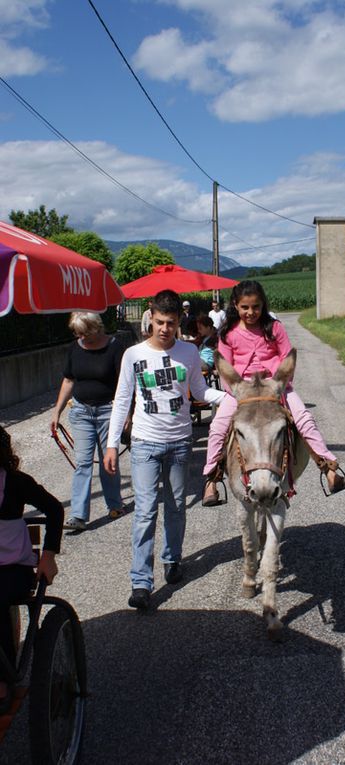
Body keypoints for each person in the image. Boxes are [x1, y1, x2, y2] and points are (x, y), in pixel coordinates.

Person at [104, 290, 225, 610]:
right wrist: (112, 443)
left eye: (171, 323)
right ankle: (141, 581)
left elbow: (199, 391)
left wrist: (230, 398)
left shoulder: (188, 352)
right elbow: (121, 401)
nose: (164, 329)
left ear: (178, 322)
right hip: (144, 443)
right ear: (151, 318)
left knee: (175, 509)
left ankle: (172, 560)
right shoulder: (133, 355)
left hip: (180, 443)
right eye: (159, 322)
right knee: (145, 512)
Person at [202, 280, 345, 506]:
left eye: (256, 307)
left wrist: (279, 384)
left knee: (304, 419)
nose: (250, 312)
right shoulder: (228, 334)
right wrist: (236, 390)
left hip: (275, 386)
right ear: (236, 305)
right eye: (245, 307)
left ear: (263, 305)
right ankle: (211, 480)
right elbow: (225, 368)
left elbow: (286, 357)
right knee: (218, 427)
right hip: (241, 390)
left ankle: (329, 469)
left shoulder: (275, 328)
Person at [0, 425, 64, 713]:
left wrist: (48, 555)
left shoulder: (14, 482)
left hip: (13, 568)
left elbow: (54, 509)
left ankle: (3, 679)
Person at [51, 312, 126, 532]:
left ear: (96, 328)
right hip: (81, 411)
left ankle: (115, 504)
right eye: (77, 332)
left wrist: (128, 413)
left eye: (83, 332)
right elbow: (68, 379)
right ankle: (78, 515)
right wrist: (57, 411)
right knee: (83, 462)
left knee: (108, 462)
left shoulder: (115, 347)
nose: (80, 336)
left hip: (108, 411)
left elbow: (124, 382)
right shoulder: (75, 348)